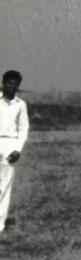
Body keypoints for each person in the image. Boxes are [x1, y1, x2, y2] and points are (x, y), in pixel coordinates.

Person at [0, 70, 29, 233]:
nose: (11, 86)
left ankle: (0, 224)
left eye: (15, 84)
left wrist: (18, 149)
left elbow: (23, 128)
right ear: (3, 83)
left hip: (10, 145)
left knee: (4, 185)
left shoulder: (20, 104)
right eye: (8, 83)